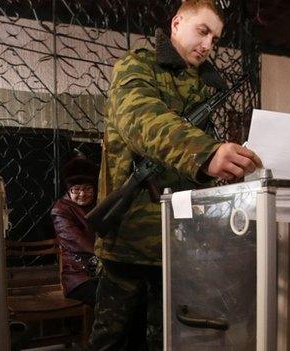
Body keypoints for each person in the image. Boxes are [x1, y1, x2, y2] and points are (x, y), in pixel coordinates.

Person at [89, 0, 263, 349]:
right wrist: (207, 153)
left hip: (181, 242)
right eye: (203, 31)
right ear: (177, 22)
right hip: (132, 238)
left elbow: (194, 169)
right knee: (113, 339)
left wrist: (223, 173)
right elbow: (141, 119)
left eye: (215, 38)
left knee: (168, 338)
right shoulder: (137, 67)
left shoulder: (204, 86)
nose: (208, 45)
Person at [51, 157, 100, 307]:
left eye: (87, 188)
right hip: (78, 278)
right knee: (111, 298)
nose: (82, 194)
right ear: (68, 190)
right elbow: (77, 241)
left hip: (102, 272)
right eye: (76, 189)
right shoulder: (60, 210)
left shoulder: (100, 203)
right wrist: (105, 253)